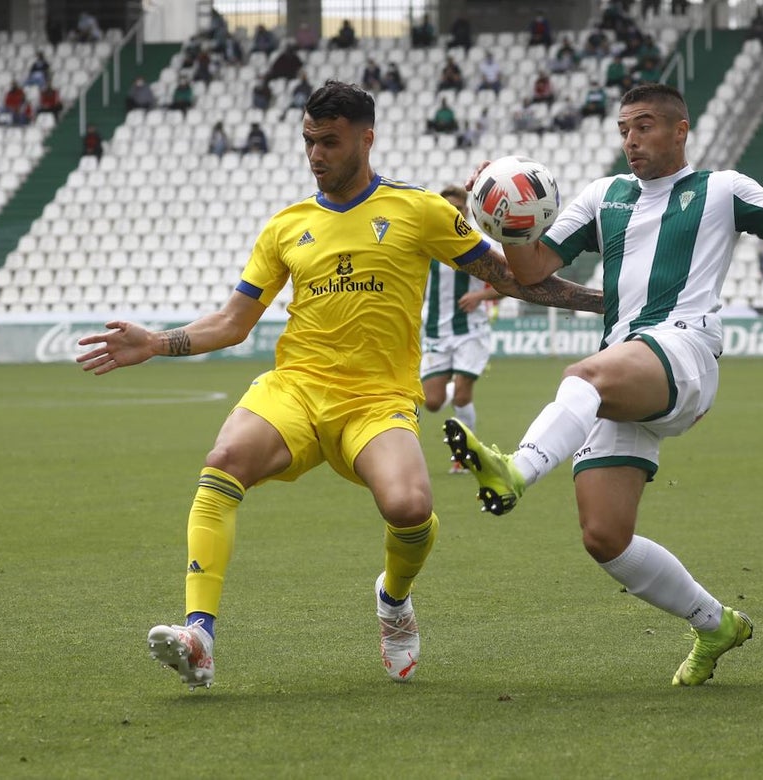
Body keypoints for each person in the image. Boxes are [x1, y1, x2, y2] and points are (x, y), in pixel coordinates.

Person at [74, 80, 601, 690]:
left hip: (377, 401)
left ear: (366, 138)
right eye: (308, 141)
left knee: (410, 508)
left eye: (328, 141)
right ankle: (199, 636)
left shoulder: (422, 210)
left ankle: (394, 601)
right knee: (222, 463)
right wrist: (156, 342)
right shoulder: (286, 226)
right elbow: (232, 323)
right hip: (296, 387)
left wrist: (605, 301)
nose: (315, 154)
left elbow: (511, 279)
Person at [443, 83, 763, 688]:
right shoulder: (605, 196)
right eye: (626, 128)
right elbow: (529, 272)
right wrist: (506, 213)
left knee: (583, 375)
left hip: (684, 349)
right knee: (605, 537)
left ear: (680, 130)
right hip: (626, 367)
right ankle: (715, 624)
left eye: (646, 126)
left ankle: (515, 471)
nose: (632, 139)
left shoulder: (722, 189)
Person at [422, 185, 505, 474]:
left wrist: (480, 296)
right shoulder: (426, 245)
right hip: (434, 331)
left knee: (461, 395)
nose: (452, 213)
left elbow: (508, 284)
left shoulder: (480, 244)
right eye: (446, 209)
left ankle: (464, 455)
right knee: (431, 402)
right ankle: (451, 385)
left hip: (471, 330)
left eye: (457, 209)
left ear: (466, 211)